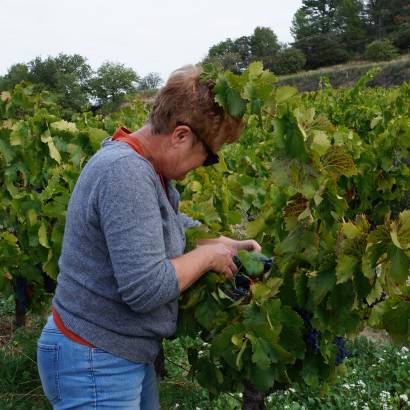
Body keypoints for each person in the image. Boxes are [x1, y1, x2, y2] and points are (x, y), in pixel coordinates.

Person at [37, 64, 261, 409]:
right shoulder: (125, 172)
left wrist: (222, 244)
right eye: (209, 157)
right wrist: (207, 258)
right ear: (181, 135)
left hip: (116, 354)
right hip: (94, 360)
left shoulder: (142, 166)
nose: (202, 167)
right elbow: (145, 288)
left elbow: (164, 225)